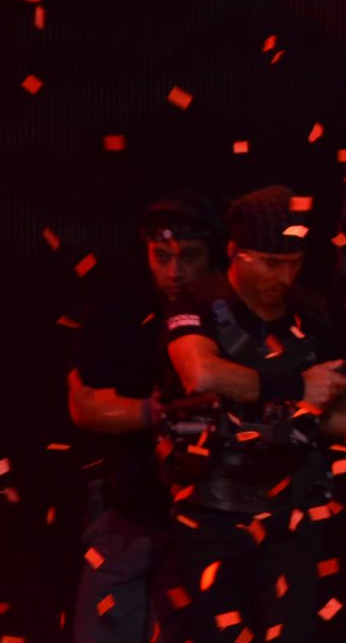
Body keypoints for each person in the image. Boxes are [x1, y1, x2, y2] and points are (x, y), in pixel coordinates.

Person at [150, 185, 346, 643]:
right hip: (211, 510)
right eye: (271, 263)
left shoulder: (311, 310)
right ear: (236, 253)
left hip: (291, 511)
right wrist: (294, 384)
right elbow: (200, 373)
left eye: (294, 263)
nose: (284, 277)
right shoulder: (197, 301)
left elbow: (333, 423)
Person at [67, 194, 223, 643]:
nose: (174, 272)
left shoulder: (231, 310)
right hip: (129, 513)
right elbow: (83, 405)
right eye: (162, 257)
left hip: (208, 520)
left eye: (189, 257)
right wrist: (156, 412)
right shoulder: (119, 308)